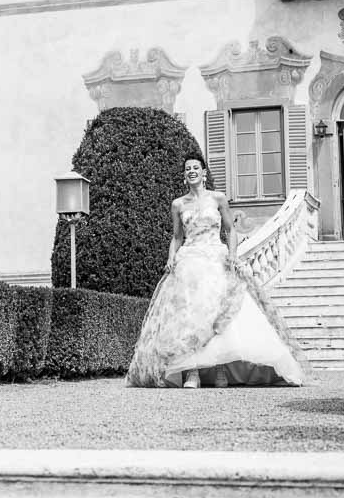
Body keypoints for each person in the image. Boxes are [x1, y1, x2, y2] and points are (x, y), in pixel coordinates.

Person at [126, 153, 309, 388]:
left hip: (215, 257)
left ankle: (221, 369)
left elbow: (230, 230)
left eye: (196, 167)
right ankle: (192, 373)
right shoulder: (178, 204)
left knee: (220, 313)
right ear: (184, 176)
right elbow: (176, 236)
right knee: (189, 317)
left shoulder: (218, 198)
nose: (191, 171)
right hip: (189, 261)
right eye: (187, 168)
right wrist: (171, 258)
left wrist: (233, 255)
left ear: (204, 173)